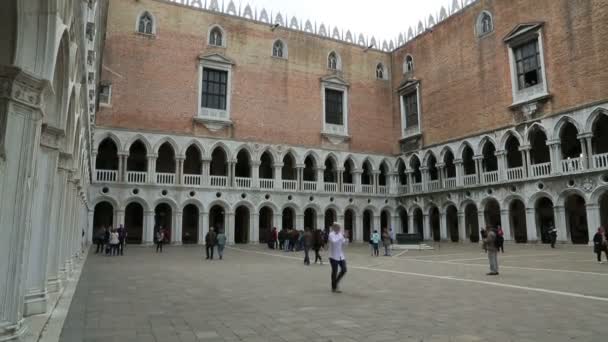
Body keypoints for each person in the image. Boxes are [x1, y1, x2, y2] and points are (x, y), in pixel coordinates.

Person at [328, 223, 348, 293]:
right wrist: (342, 236)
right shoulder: (331, 234)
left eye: (339, 227)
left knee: (344, 270)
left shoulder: (340, 234)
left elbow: (345, 244)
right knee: (334, 272)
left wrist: (346, 238)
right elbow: (334, 241)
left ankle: (335, 282)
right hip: (333, 256)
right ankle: (334, 287)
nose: (339, 229)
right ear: (334, 228)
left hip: (341, 256)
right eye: (337, 227)